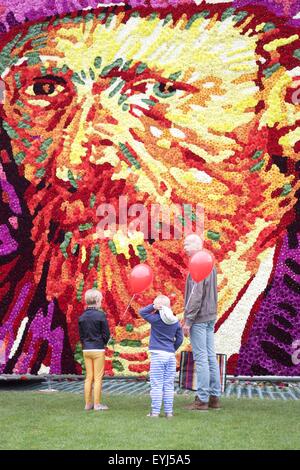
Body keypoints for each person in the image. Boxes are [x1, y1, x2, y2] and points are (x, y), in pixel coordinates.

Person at [183, 234, 221, 411]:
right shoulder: (210, 263)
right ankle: (214, 397)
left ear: (197, 245)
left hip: (199, 318)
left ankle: (202, 399)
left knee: (201, 358)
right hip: (210, 316)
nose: (184, 247)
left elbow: (196, 296)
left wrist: (188, 320)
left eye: (187, 244)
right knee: (210, 356)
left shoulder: (197, 264)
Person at [139, 295, 183, 418]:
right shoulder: (175, 321)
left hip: (158, 355)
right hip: (170, 356)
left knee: (157, 385)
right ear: (169, 307)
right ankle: (169, 412)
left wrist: (152, 307)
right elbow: (180, 339)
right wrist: (172, 348)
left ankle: (155, 412)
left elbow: (142, 312)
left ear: (158, 308)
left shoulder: (155, 319)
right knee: (168, 385)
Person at [78, 289, 110, 411]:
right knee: (97, 377)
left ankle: (88, 404)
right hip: (98, 349)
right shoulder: (100, 315)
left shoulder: (82, 317)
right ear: (97, 301)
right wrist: (104, 343)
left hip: (86, 349)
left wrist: (85, 344)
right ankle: (97, 404)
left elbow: (81, 335)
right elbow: (106, 333)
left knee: (88, 377)